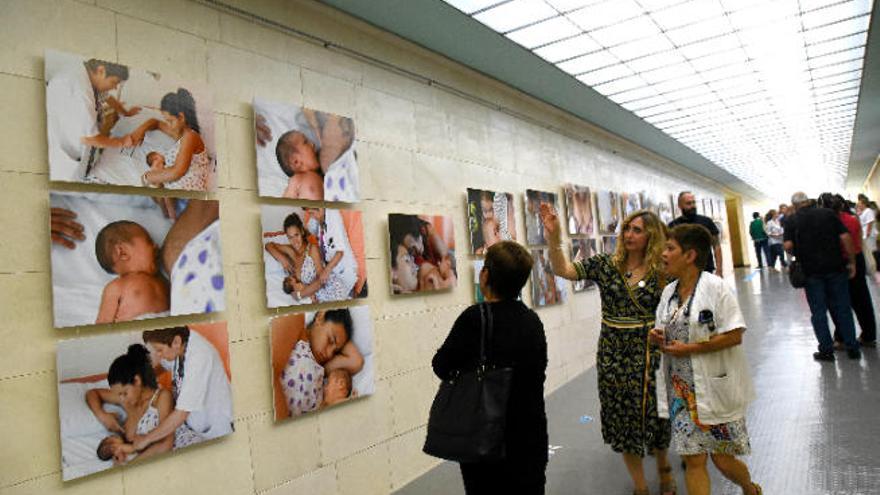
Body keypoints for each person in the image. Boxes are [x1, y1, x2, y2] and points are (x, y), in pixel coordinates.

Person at [540, 205, 675, 495]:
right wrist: (554, 238)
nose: (629, 234)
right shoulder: (606, 265)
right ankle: (640, 486)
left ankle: (663, 466)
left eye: (637, 230)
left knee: (657, 413)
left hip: (651, 351)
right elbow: (564, 269)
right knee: (622, 415)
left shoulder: (662, 270)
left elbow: (676, 309)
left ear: (651, 235)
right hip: (613, 353)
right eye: (626, 228)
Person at [649, 224, 761, 495]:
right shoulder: (669, 292)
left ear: (690, 255)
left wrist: (689, 349)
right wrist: (656, 336)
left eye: (670, 248)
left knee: (722, 459)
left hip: (715, 387)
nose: (663, 253)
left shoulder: (716, 288)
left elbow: (735, 335)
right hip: (682, 392)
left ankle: (749, 487)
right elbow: (665, 328)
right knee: (693, 460)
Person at [432, 241, 548, 494]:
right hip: (529, 433)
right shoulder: (532, 320)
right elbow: (538, 371)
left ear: (485, 275)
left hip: (485, 435)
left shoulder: (475, 318)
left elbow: (441, 365)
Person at [784, 192, 861, 361]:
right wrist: (852, 262)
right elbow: (845, 237)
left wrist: (797, 250)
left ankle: (826, 350)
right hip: (836, 268)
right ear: (807, 201)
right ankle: (852, 347)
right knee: (843, 308)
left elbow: (788, 245)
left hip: (811, 272)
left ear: (795, 205)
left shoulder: (792, 220)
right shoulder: (827, 214)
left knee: (818, 312)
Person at [88, 88, 212, 191]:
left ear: (181, 117)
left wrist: (147, 177)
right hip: (172, 186)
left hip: (187, 188)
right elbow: (155, 122)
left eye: (170, 121)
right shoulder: (179, 133)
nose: (168, 124)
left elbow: (177, 172)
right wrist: (140, 132)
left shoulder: (190, 136)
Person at [133, 327, 234, 451]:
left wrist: (146, 439)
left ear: (176, 341)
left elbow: (181, 413)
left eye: (160, 350)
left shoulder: (200, 356)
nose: (158, 356)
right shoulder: (180, 343)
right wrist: (143, 379)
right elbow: (165, 366)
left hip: (217, 428)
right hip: (193, 426)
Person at [46, 57, 132, 182]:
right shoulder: (82, 92)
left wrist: (126, 112)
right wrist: (121, 142)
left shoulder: (87, 76)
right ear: (101, 71)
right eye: (114, 82)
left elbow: (108, 98)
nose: (114, 87)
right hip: (64, 160)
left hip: (72, 145)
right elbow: (90, 138)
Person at [86, 344, 175, 464]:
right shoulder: (127, 402)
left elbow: (166, 444)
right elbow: (92, 393)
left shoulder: (161, 398)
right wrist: (102, 415)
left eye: (124, 393)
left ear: (137, 381)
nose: (122, 399)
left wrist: (129, 468)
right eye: (118, 394)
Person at [279, 309, 364, 417]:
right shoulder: (297, 334)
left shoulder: (323, 368)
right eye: (330, 340)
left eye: (336, 351)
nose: (329, 354)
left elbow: (357, 361)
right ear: (320, 317)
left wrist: (340, 339)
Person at [819, 194, 877, 348]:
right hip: (857, 259)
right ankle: (869, 334)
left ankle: (842, 338)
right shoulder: (852, 219)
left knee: (839, 302)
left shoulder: (828, 223)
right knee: (862, 299)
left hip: (840, 262)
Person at [94, 221, 170, 324]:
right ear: (122, 252)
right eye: (149, 241)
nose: (155, 246)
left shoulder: (162, 279)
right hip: (135, 332)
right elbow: (103, 323)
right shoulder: (116, 287)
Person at [265, 213, 335, 303]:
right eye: (290, 237)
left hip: (329, 291)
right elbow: (268, 245)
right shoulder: (291, 251)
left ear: (302, 231)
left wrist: (301, 294)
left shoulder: (312, 249)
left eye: (296, 235)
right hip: (314, 298)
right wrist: (282, 259)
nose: (295, 241)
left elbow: (322, 280)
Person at [669, 192, 723, 278]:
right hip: (682, 272)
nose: (693, 206)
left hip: (706, 270)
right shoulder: (673, 226)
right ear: (680, 205)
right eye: (688, 203)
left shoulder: (706, 222)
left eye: (694, 202)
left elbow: (716, 246)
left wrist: (719, 270)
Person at [276, 130, 325, 200]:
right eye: (306, 142)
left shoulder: (320, 177)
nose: (313, 144)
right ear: (296, 162)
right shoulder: (296, 181)